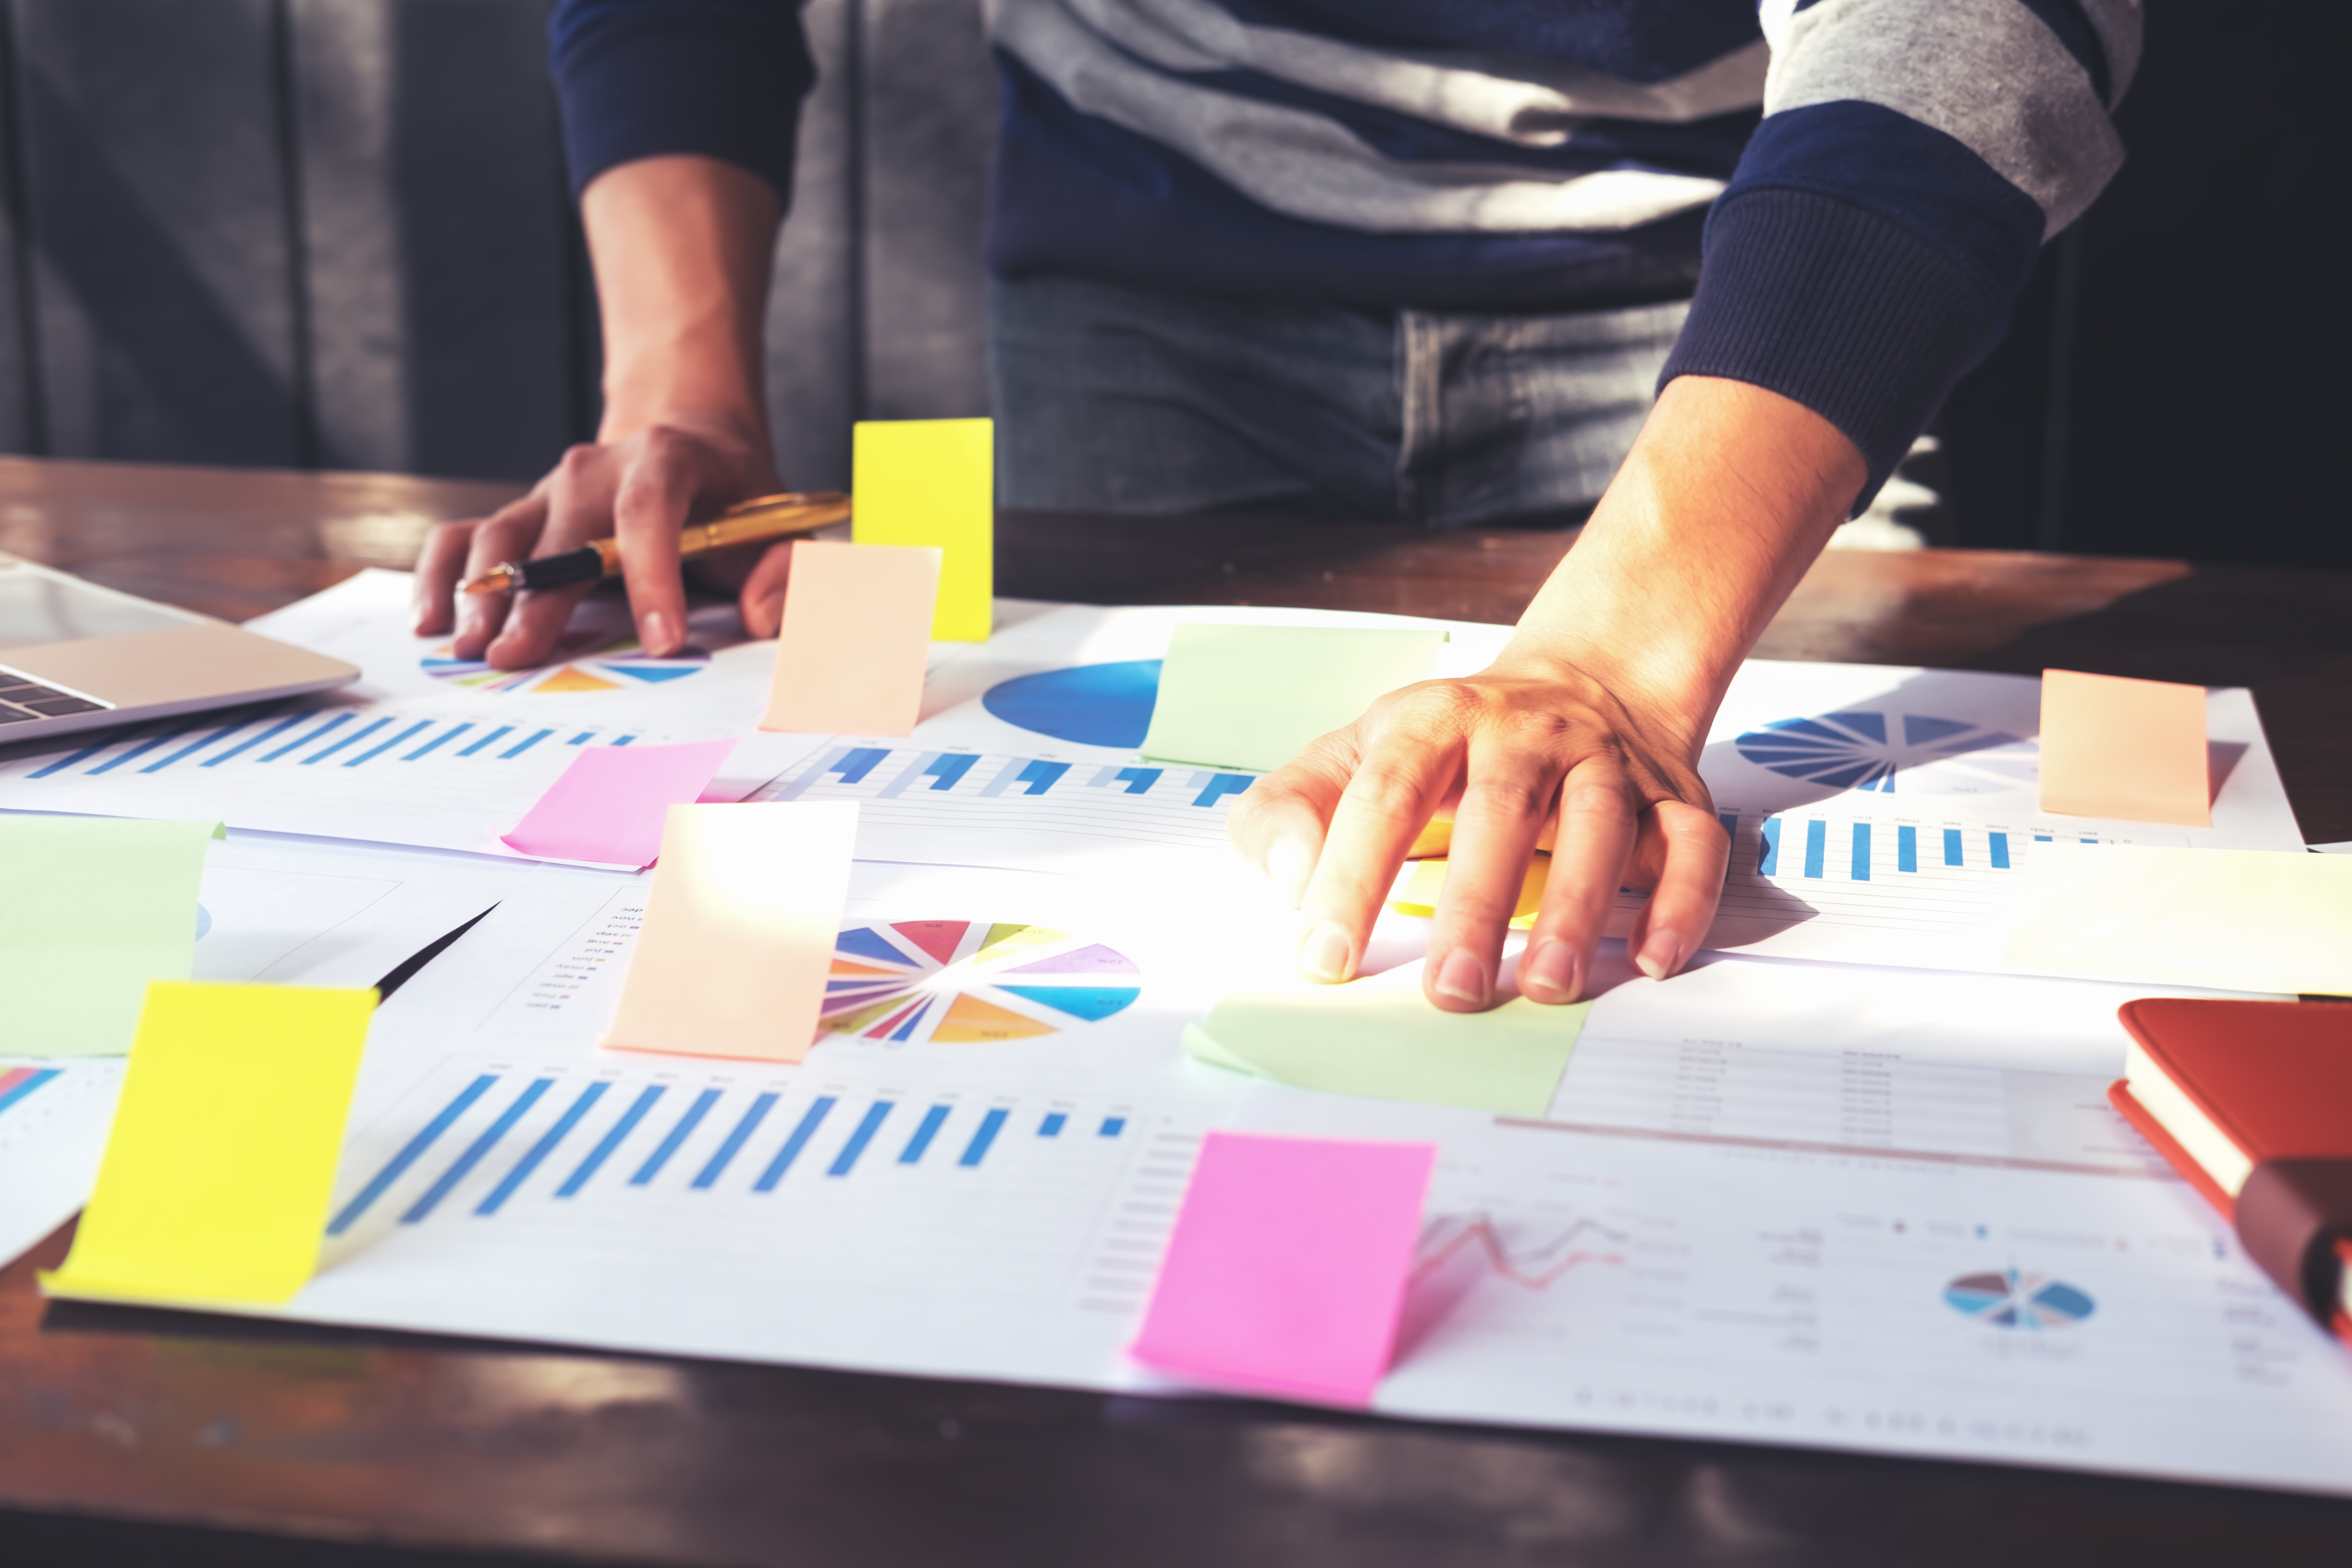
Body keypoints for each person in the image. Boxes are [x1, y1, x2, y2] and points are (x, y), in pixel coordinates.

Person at [413, 0, 2141, 1015]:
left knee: (1765, 952)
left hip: (1746, 283)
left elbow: (1965, 36)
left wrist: (1620, 649)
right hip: (1148, 260)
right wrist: (677, 396)